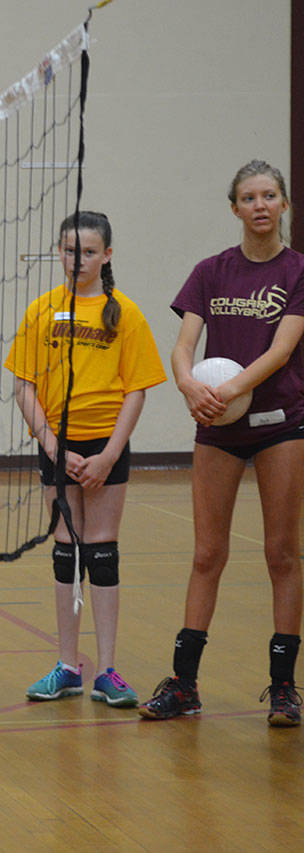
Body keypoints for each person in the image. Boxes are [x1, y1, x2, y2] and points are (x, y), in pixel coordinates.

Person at [140, 160, 304, 726]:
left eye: (270, 196)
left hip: (280, 424)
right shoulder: (211, 271)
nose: (260, 205)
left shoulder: (298, 271)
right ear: (234, 208)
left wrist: (231, 389)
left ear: (284, 204)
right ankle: (184, 685)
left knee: (281, 553)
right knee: (207, 554)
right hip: (217, 426)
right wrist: (189, 385)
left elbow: (282, 349)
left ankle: (283, 688)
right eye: (249, 197)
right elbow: (184, 345)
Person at [5, 210, 166, 708]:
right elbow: (23, 385)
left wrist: (109, 455)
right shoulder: (42, 310)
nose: (79, 260)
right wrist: (54, 448)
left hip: (105, 446)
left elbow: (137, 390)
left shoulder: (126, 314)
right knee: (65, 549)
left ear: (107, 255)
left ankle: (108, 670)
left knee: (102, 551)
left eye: (90, 252)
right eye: (71, 251)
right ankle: (67, 666)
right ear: (59, 252)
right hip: (57, 444)